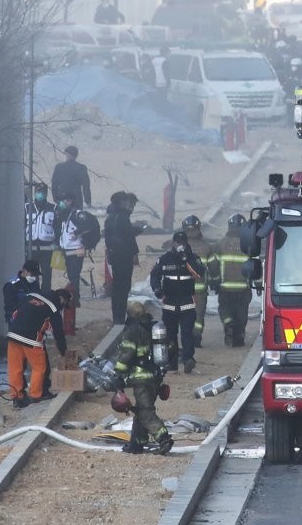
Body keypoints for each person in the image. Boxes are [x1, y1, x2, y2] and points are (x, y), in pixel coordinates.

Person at [111, 301, 174, 455]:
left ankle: (164, 438)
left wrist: (118, 374)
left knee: (145, 411)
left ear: (130, 314)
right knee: (141, 409)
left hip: (141, 378)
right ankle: (137, 443)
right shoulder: (155, 327)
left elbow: (126, 354)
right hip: (156, 376)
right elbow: (170, 347)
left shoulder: (133, 331)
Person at [151, 230, 206, 373]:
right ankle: (172, 362)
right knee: (170, 334)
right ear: (173, 243)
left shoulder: (192, 258)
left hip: (187, 302)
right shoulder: (165, 259)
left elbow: (200, 273)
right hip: (170, 303)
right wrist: (157, 289)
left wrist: (186, 259)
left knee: (187, 333)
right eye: (178, 242)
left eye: (182, 243)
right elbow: (155, 275)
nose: (180, 245)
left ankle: (188, 359)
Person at [7, 289, 72, 408]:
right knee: (40, 367)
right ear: (62, 299)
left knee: (15, 367)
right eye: (64, 303)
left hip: (13, 334)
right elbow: (59, 334)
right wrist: (65, 353)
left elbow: (15, 312)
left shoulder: (30, 295)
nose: (63, 307)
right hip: (31, 339)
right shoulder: (53, 308)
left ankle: (17, 397)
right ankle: (35, 395)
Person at [105, 191, 142, 325]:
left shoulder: (111, 217)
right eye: (126, 201)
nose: (129, 205)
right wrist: (134, 253)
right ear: (121, 203)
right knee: (123, 288)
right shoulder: (121, 217)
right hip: (123, 257)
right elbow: (128, 237)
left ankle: (118, 317)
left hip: (115, 256)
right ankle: (120, 318)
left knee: (117, 288)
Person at [215, 213, 251, 347]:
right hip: (243, 288)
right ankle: (240, 336)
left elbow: (214, 264)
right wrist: (258, 284)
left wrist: (214, 280)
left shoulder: (221, 244)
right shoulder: (248, 245)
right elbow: (255, 265)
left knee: (225, 309)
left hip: (225, 287)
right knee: (242, 313)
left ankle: (228, 324)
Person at [182, 215, 217, 348]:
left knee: (184, 315)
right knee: (198, 316)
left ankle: (186, 338)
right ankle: (196, 338)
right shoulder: (206, 247)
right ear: (199, 228)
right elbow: (213, 267)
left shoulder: (177, 247)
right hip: (199, 291)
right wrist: (215, 280)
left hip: (182, 290)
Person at [54, 193, 93, 293]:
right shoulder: (65, 215)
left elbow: (88, 226)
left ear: (70, 201)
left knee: (74, 276)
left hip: (76, 251)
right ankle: (73, 297)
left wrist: (76, 233)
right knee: (71, 276)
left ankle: (75, 299)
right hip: (67, 251)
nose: (62, 203)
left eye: (64, 201)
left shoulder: (77, 214)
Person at [25, 183, 56, 288]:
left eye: (42, 192)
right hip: (30, 248)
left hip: (47, 249)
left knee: (47, 276)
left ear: (46, 193)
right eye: (38, 192)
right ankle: (34, 297)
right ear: (34, 192)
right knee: (32, 277)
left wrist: (56, 243)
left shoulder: (53, 208)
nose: (40, 194)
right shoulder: (27, 207)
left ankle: (45, 299)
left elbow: (58, 227)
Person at [3, 259, 43, 327]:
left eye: (36, 274)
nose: (34, 276)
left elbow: (39, 299)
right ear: (25, 270)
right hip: (17, 321)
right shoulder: (12, 285)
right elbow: (9, 306)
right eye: (32, 273)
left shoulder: (35, 284)